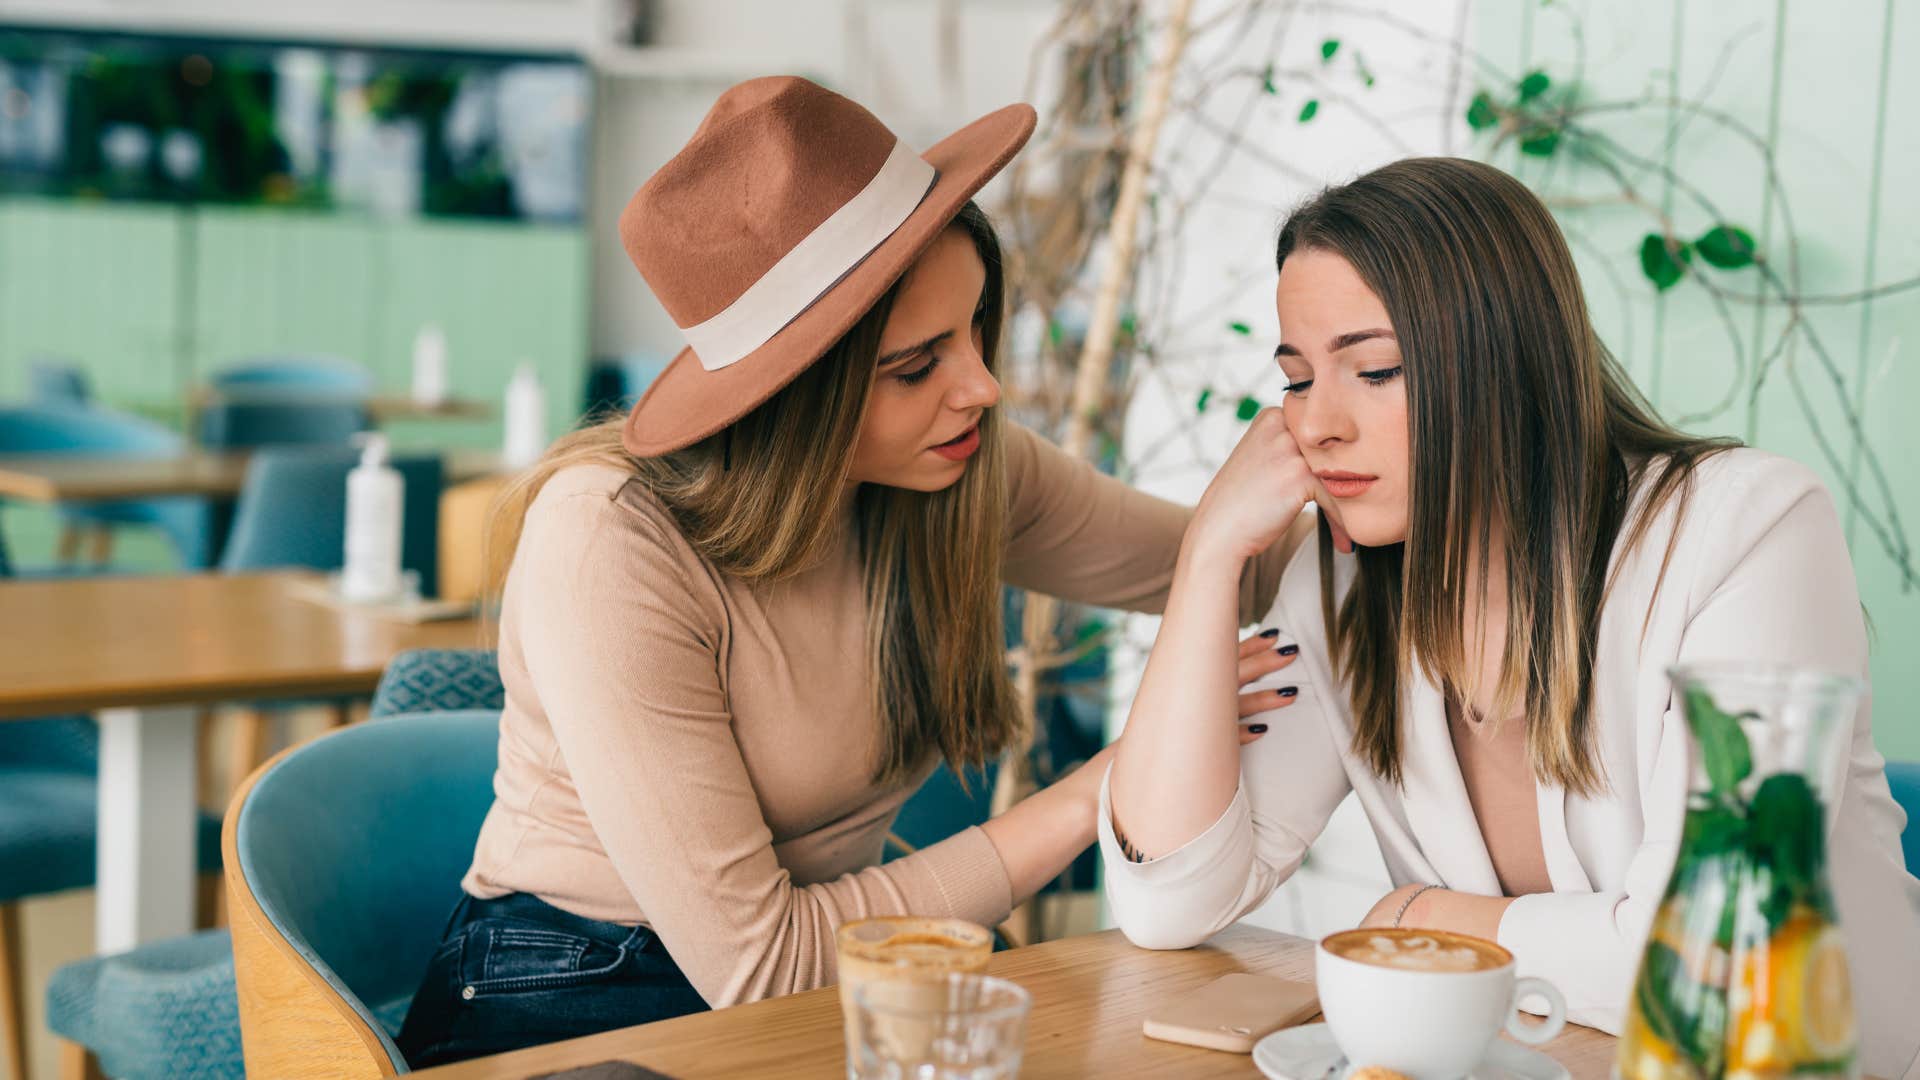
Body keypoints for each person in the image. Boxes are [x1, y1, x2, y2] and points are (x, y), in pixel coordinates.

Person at [396, 76, 1288, 1067]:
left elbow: (1243, 567)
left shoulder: (959, 463)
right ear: (792, 397)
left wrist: (1370, 483)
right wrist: (1112, 785)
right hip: (570, 994)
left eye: (977, 329)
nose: (982, 388)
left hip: (826, 970)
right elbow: (762, 964)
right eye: (916, 365)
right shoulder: (608, 544)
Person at [1100, 156, 1920, 1076]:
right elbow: (1167, 903)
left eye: (1374, 370)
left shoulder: (1745, 528)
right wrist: (1210, 560)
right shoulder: (1337, 582)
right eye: (1296, 379)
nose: (1317, 425)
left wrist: (1420, 918)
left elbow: (1718, 962)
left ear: (1504, 362)